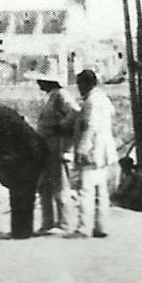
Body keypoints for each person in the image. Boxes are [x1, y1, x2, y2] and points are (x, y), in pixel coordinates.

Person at [0, 87, 48, 239]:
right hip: (35, 156)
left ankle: (20, 233)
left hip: (25, 159)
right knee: (25, 195)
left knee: (19, 194)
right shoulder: (4, 110)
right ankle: (23, 231)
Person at [72, 69, 117, 238]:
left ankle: (84, 228)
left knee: (86, 190)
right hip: (104, 150)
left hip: (93, 150)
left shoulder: (91, 101)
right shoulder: (102, 98)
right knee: (101, 191)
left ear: (86, 84)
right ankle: (101, 227)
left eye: (79, 84)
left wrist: (82, 149)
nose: (79, 88)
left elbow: (89, 128)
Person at [35, 79, 82, 234]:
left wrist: (61, 128)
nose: (38, 83)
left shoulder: (61, 95)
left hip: (57, 148)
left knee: (60, 187)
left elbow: (75, 112)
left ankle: (65, 224)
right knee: (45, 188)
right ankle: (48, 223)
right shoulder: (51, 96)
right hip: (47, 148)